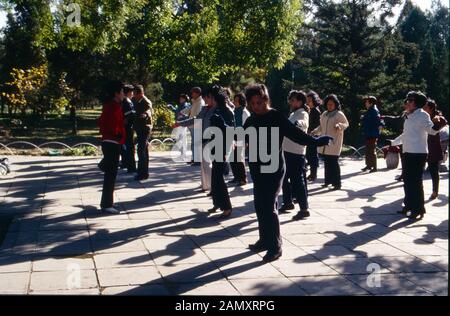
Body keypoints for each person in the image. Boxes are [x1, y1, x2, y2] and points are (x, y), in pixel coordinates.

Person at [243, 84, 333, 263]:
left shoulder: (275, 116)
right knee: (259, 205)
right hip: (257, 168)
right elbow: (241, 138)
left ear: (266, 100)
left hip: (274, 169)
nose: (256, 107)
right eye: (252, 104)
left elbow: (295, 134)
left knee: (269, 206)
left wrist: (315, 141)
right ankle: (264, 240)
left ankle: (275, 247)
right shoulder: (251, 120)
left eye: (259, 103)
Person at [391, 91, 447, 220]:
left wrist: (439, 123)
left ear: (417, 103)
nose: (407, 103)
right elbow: (405, 134)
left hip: (418, 153)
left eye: (410, 100)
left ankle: (419, 209)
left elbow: (432, 131)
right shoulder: (408, 116)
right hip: (407, 151)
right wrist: (393, 142)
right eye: (407, 100)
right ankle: (408, 206)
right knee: (407, 181)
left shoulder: (422, 115)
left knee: (415, 182)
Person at [176, 87, 217, 192]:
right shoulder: (205, 108)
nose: (205, 100)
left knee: (210, 165)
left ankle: (214, 188)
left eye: (207, 97)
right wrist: (180, 123)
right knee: (204, 164)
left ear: (212, 98)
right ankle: (206, 185)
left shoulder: (217, 109)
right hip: (204, 138)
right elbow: (196, 119)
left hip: (213, 140)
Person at [279, 90, 312, 221]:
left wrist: (297, 124)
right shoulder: (293, 113)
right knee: (283, 178)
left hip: (296, 152)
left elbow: (302, 123)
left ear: (300, 101)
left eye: (294, 100)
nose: (291, 102)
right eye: (291, 99)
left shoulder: (303, 113)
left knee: (297, 181)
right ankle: (288, 202)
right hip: (287, 150)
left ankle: (304, 209)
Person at [98, 80, 126, 214]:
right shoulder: (114, 107)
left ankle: (107, 203)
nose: (123, 95)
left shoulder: (111, 105)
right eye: (122, 92)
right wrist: (119, 135)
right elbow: (113, 125)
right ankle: (107, 204)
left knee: (110, 172)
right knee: (111, 175)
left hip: (110, 141)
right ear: (116, 93)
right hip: (112, 142)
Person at [207, 86, 235, 218]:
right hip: (217, 145)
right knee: (215, 175)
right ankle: (217, 202)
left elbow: (228, 131)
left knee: (218, 177)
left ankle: (226, 206)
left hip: (221, 146)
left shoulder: (224, 111)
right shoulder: (222, 110)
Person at [311, 94, 349, 190]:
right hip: (325, 143)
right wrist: (315, 131)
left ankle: (337, 184)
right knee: (327, 163)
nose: (330, 106)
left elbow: (346, 124)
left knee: (334, 164)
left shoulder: (339, 114)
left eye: (332, 104)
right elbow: (321, 127)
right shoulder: (324, 114)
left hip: (334, 143)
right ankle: (327, 181)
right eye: (328, 104)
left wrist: (339, 125)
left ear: (336, 104)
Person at [423, 99, 447, 200]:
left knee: (433, 170)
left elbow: (443, 122)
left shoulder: (437, 117)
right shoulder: (422, 116)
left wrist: (435, 121)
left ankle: (435, 191)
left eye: (426, 107)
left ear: (431, 108)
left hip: (433, 147)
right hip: (421, 146)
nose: (424, 109)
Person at [229, 92, 250, 186]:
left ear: (241, 101)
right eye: (234, 100)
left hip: (240, 137)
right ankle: (236, 177)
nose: (235, 102)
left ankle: (243, 179)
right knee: (232, 158)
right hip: (233, 136)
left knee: (239, 158)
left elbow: (247, 127)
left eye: (237, 100)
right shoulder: (234, 110)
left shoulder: (244, 112)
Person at [133, 85, 153, 181]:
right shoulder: (136, 101)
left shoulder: (146, 102)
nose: (133, 95)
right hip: (139, 129)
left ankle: (142, 173)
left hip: (145, 129)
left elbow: (148, 111)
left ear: (140, 93)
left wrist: (145, 115)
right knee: (143, 150)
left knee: (141, 150)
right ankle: (144, 172)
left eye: (135, 94)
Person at [361, 96, 384, 173]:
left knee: (371, 150)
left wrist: (379, 129)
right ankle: (368, 165)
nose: (365, 103)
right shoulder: (370, 110)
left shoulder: (374, 110)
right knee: (368, 150)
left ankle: (374, 167)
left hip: (372, 133)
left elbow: (379, 121)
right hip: (368, 133)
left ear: (371, 103)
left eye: (367, 102)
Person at [168, 94, 191, 161]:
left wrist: (182, 116)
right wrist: (172, 108)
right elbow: (177, 111)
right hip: (179, 123)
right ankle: (182, 153)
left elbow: (186, 114)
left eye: (181, 98)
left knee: (182, 139)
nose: (180, 100)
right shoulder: (181, 105)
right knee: (179, 139)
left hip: (183, 124)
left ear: (184, 99)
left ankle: (184, 154)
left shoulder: (186, 105)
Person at [305, 91, 322, 182]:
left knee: (312, 156)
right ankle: (311, 173)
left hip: (313, 136)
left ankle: (313, 174)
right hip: (308, 135)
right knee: (309, 155)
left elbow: (318, 125)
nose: (307, 102)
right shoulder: (309, 110)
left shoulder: (316, 111)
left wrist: (311, 132)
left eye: (309, 100)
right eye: (307, 100)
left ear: (314, 101)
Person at [120, 84, 137, 173]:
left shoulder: (126, 101)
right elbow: (130, 115)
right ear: (129, 92)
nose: (133, 93)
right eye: (132, 92)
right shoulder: (127, 102)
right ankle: (131, 167)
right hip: (128, 128)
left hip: (127, 127)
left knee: (126, 147)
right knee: (130, 147)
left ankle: (125, 163)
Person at [188, 87, 206, 165]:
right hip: (193, 125)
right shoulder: (195, 102)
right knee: (194, 143)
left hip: (197, 126)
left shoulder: (200, 102)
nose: (192, 94)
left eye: (193, 93)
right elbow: (190, 109)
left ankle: (197, 160)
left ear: (198, 93)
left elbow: (198, 116)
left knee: (197, 143)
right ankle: (194, 158)